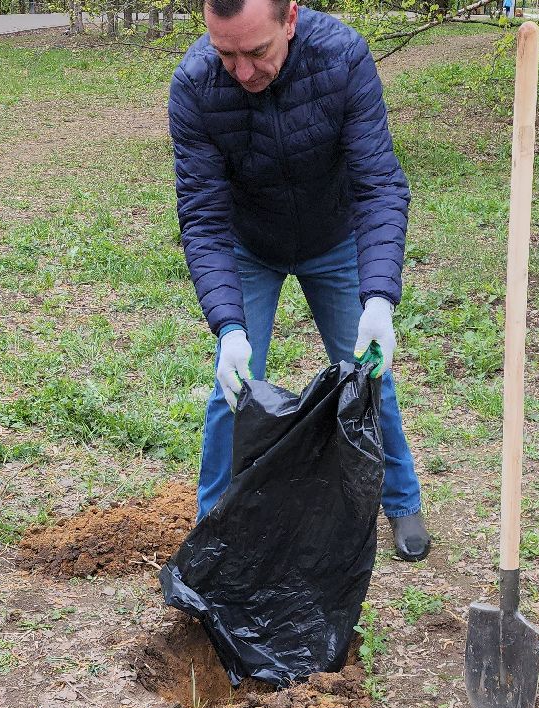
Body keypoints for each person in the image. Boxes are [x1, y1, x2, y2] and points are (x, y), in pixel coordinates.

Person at [168, 0, 430, 561]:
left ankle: (403, 501)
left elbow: (379, 184)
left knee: (368, 374)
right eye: (225, 54)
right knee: (232, 389)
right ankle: (212, 521)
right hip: (250, 245)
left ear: (289, 19)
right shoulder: (194, 85)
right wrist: (230, 326)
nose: (241, 72)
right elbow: (204, 217)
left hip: (333, 239)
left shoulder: (341, 56)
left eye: (256, 51)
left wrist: (380, 297)